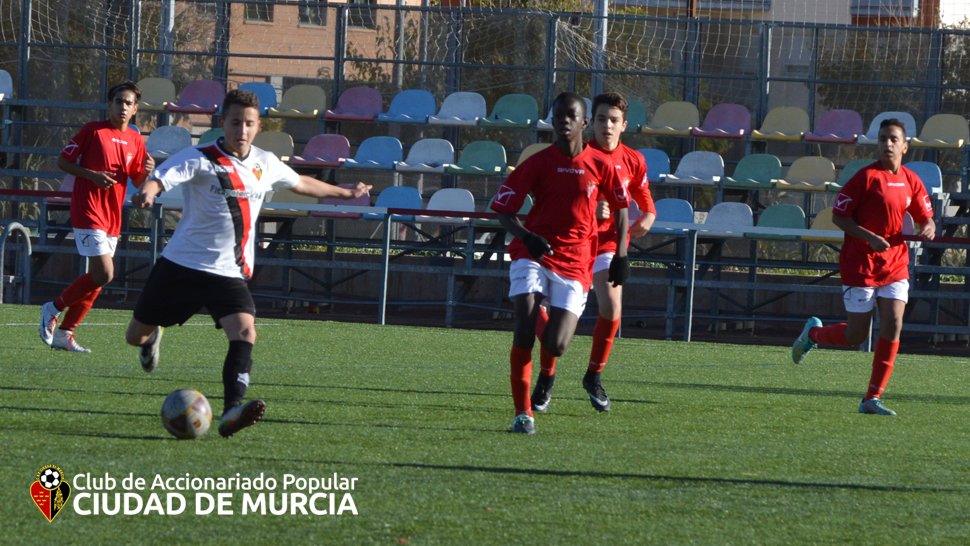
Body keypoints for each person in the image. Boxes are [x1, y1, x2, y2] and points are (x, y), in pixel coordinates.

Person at [125, 89, 370, 438]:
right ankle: (151, 338)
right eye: (235, 122)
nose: (241, 130)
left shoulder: (264, 162)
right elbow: (162, 178)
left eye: (249, 123)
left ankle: (232, 410)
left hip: (228, 271)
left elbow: (300, 182)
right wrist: (148, 192)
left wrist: (345, 193)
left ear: (258, 127)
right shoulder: (200, 157)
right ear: (222, 122)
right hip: (181, 266)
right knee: (134, 336)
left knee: (245, 332)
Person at [491, 92, 631, 435]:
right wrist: (527, 237)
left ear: (584, 122)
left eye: (571, 116)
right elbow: (503, 210)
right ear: (552, 121)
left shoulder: (600, 164)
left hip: (576, 261)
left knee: (556, 345)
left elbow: (622, 209)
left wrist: (622, 255)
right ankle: (523, 414)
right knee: (523, 327)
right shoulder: (538, 163)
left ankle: (544, 321)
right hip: (534, 254)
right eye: (558, 116)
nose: (564, 121)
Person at [791, 118, 935, 416]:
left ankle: (872, 398)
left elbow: (926, 216)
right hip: (861, 265)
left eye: (893, 139)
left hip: (895, 264)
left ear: (905, 146)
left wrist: (928, 226)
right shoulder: (865, 178)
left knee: (893, 323)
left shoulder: (911, 180)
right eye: (883, 139)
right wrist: (869, 237)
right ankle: (813, 334)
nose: (887, 144)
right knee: (856, 335)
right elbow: (839, 217)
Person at [530, 92, 656, 414]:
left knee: (612, 307)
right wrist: (592, 209)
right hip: (573, 244)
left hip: (607, 243)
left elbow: (642, 196)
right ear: (590, 123)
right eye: (601, 119)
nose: (607, 126)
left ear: (624, 125)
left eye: (614, 120)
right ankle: (546, 376)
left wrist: (648, 216)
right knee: (549, 315)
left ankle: (593, 376)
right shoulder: (578, 157)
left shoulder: (633, 160)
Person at [39, 81, 154, 352]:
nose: (123, 107)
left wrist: (148, 170)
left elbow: (137, 179)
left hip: (112, 215)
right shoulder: (93, 130)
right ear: (109, 104)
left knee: (98, 278)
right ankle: (52, 308)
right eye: (118, 101)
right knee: (105, 273)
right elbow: (63, 161)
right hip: (88, 209)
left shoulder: (136, 140)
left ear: (135, 109)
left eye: (128, 103)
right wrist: (91, 175)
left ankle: (65, 333)